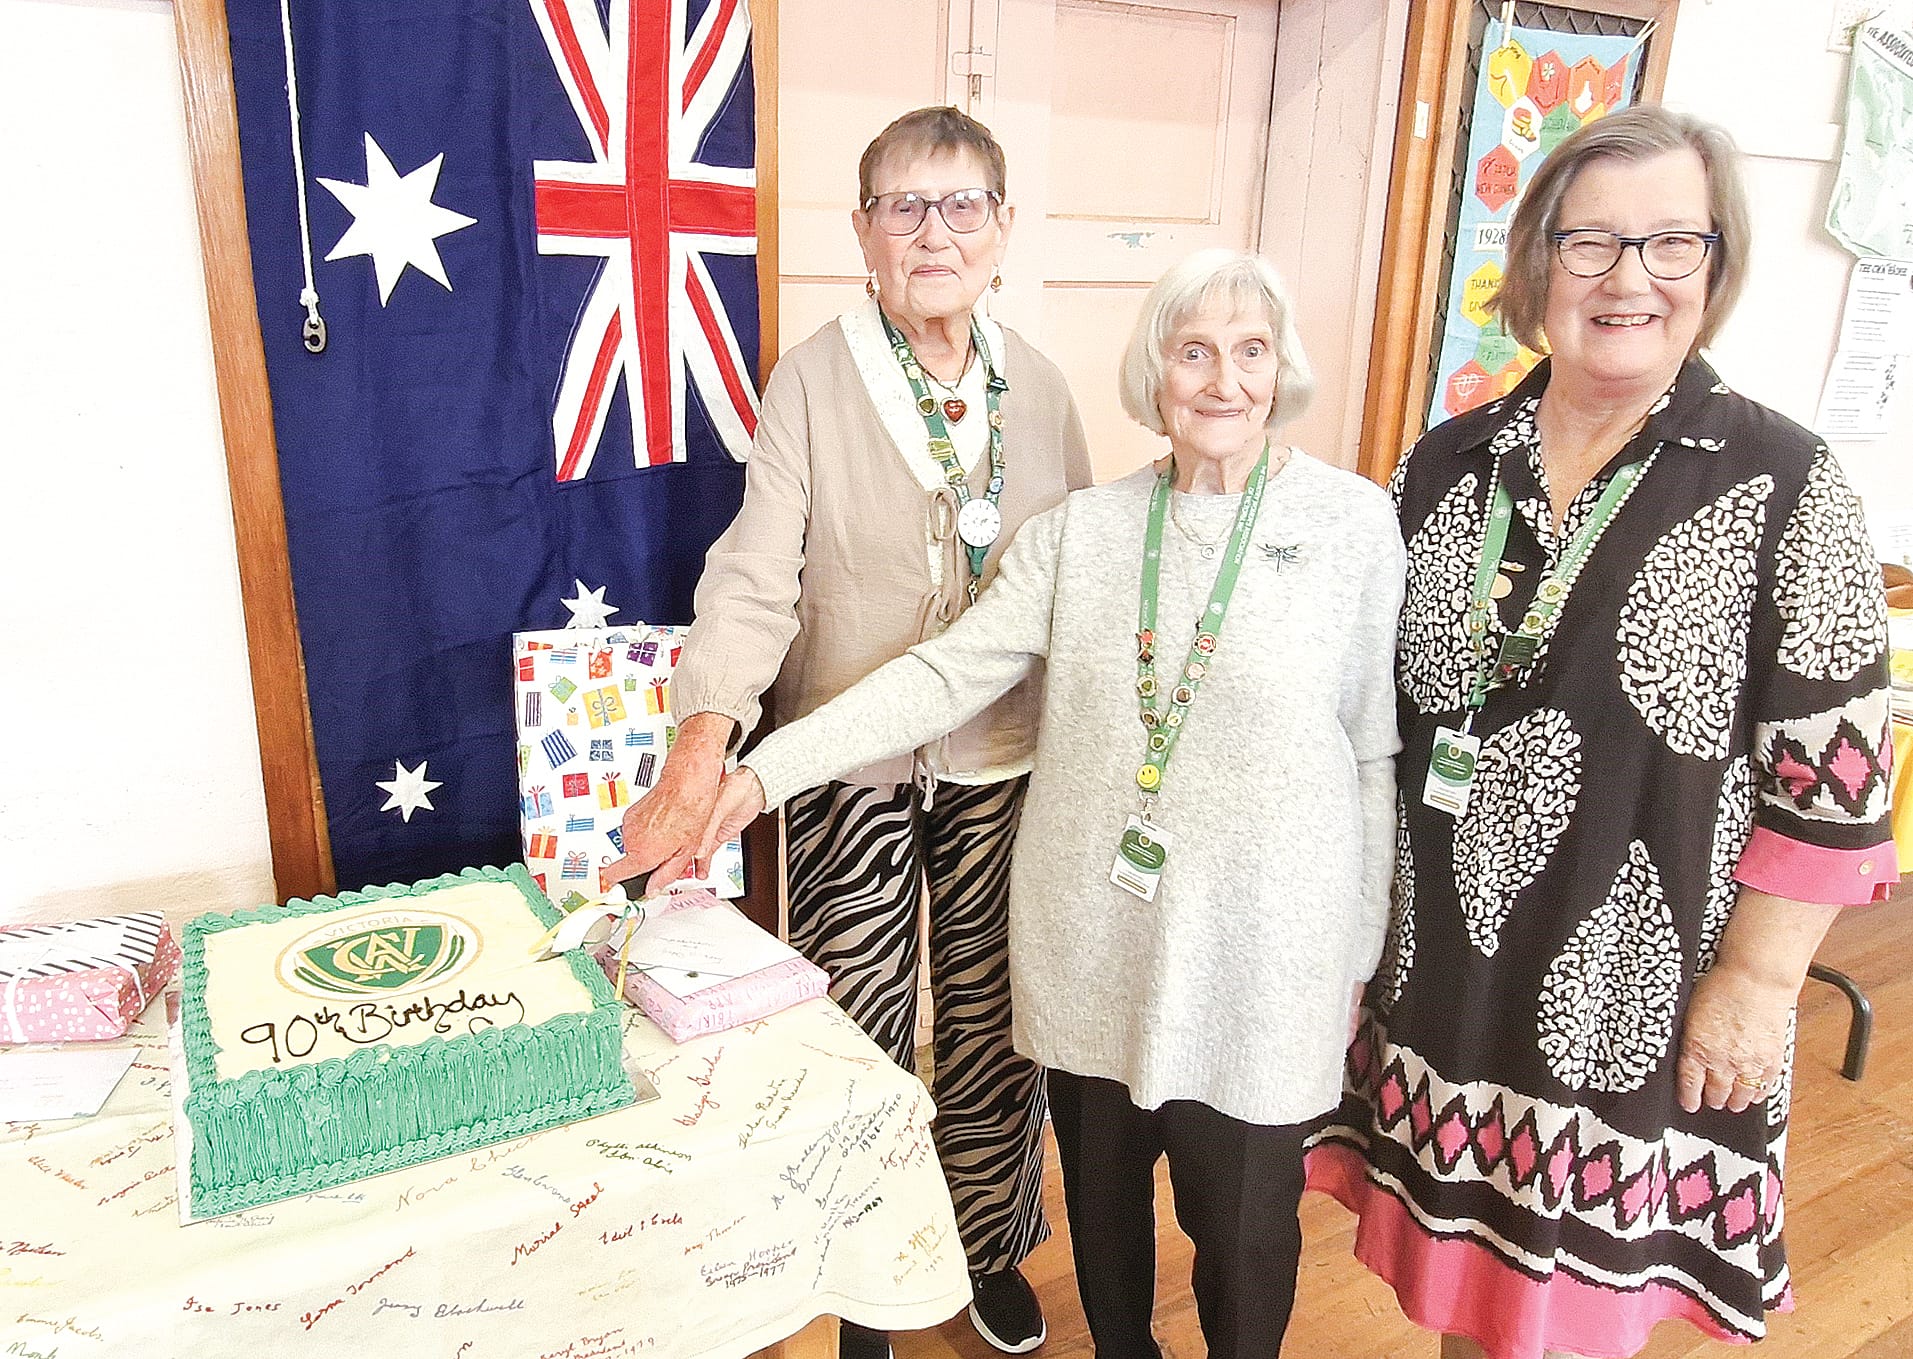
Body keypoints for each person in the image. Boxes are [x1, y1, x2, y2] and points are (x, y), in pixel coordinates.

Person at [659, 249, 1406, 1359]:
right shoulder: (1083, 534)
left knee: (1243, 1232)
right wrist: (766, 769)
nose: (1221, 381)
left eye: (1249, 352)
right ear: (1154, 373)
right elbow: (943, 674)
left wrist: (1352, 951)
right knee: (1103, 1213)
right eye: (1192, 350)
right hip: (1093, 941)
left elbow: (1369, 750)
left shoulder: (1351, 525)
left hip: (1260, 960)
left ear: (1280, 370)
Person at [1309, 105, 1899, 1359]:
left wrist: (1752, 985)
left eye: (1668, 243)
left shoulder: (1783, 481)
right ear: (1536, 265)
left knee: (1572, 1306)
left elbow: (1835, 784)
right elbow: (1375, 702)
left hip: (1638, 988)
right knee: (1465, 1285)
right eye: (1589, 245)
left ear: (1713, 266)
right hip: (1446, 967)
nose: (1627, 279)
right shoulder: (1446, 462)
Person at [608, 106, 1092, 1357]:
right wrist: (702, 745)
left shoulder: (1038, 388)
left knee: (991, 1024)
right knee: (858, 1025)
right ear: (864, 234)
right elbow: (756, 576)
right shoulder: (813, 377)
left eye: (961, 206)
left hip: (1004, 760)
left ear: (1002, 228)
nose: (934, 232)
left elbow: (1079, 590)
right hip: (843, 759)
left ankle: (984, 1246)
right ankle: (864, 1264)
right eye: (903, 207)